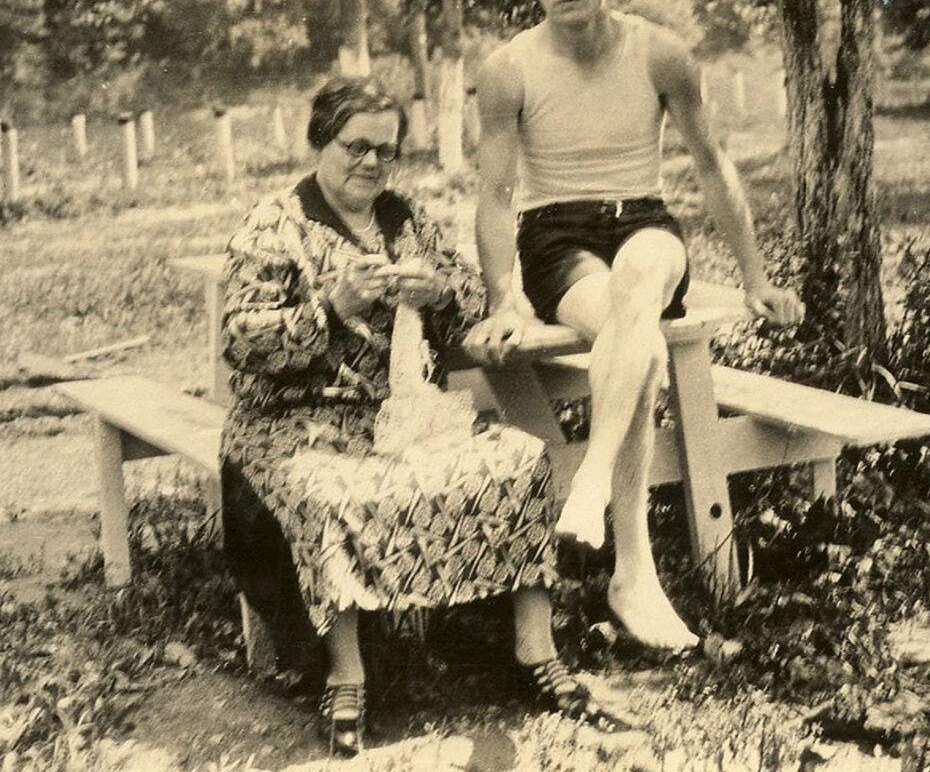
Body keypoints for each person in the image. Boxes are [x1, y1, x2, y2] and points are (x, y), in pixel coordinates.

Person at [219, 77, 633, 759]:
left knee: (522, 461)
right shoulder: (272, 227)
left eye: (387, 151)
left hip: (407, 419)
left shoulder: (404, 218)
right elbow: (241, 340)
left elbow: (472, 304)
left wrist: (440, 291)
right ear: (319, 141)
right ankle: (347, 674)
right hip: (294, 423)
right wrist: (329, 306)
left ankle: (534, 650)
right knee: (328, 493)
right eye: (356, 147)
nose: (371, 165)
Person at [464, 0, 805, 653]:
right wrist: (502, 294)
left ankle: (588, 483)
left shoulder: (661, 53)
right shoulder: (507, 69)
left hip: (644, 221)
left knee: (643, 276)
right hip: (557, 238)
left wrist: (753, 274)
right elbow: (493, 195)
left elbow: (711, 165)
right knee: (638, 335)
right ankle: (631, 569)